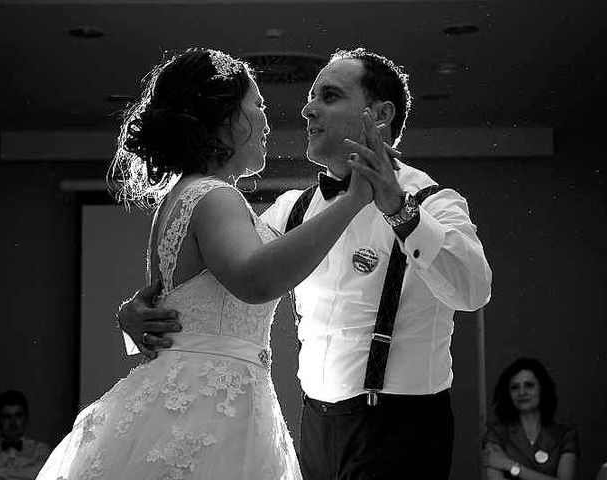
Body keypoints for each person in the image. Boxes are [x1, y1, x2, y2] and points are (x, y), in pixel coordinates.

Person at [119, 47, 492, 479]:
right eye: (311, 96)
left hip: (401, 428)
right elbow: (215, 271)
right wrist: (136, 315)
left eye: (329, 97)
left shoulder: (433, 201)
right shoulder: (291, 210)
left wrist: (401, 213)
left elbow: (474, 290)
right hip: (313, 428)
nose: (307, 109)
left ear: (380, 114)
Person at [36, 47, 388, 480]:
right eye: (256, 105)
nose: (267, 119)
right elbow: (255, 279)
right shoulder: (215, 196)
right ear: (224, 118)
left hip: (200, 392)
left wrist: (130, 313)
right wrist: (354, 201)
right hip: (209, 409)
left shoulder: (189, 195)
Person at [483, 357, 579, 480]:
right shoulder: (496, 433)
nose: (522, 392)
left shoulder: (565, 434)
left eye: (529, 385)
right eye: (515, 387)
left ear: (542, 388)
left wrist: (511, 466)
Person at [0, 390, 50, 480]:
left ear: (26, 418)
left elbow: (46, 476)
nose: (13, 423)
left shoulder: (41, 450)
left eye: (18, 415)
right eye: (6, 417)